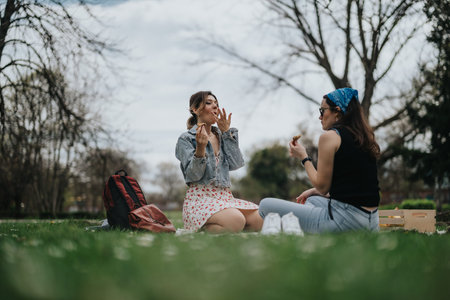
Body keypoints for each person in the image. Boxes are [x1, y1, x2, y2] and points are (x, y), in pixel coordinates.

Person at [259, 87, 381, 233]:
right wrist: (313, 191)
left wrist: (304, 157)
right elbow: (354, 189)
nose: (320, 117)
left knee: (265, 205)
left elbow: (322, 186)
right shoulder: (364, 138)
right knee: (312, 200)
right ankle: (301, 229)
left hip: (344, 222)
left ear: (337, 111)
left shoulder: (330, 137)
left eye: (322, 111)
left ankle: (293, 231)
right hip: (371, 222)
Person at [175, 91, 263, 233]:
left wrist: (227, 133)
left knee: (260, 219)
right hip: (200, 200)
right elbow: (193, 176)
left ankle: (228, 228)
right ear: (195, 109)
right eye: (209, 103)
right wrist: (200, 148)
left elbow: (236, 164)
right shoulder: (186, 139)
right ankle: (197, 230)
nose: (215, 107)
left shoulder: (221, 136)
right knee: (237, 220)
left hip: (224, 197)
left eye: (217, 104)